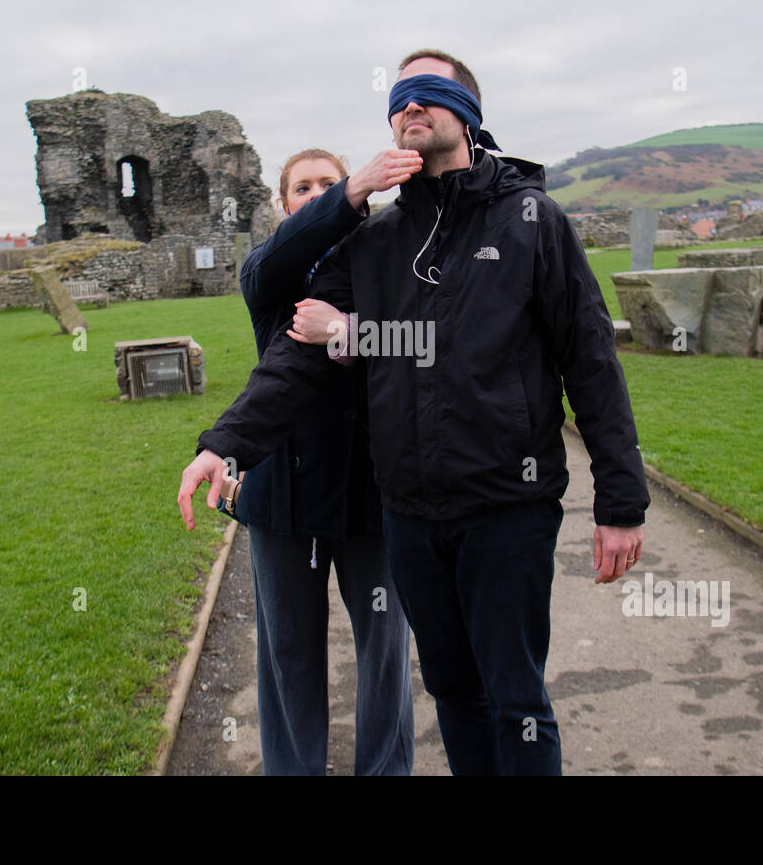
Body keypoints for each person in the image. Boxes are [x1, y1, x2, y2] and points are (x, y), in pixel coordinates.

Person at [179, 49, 650, 775]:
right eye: (399, 97)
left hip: (507, 505)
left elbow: (589, 362)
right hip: (410, 514)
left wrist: (621, 500)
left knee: (516, 700)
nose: (410, 106)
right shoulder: (376, 240)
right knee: (453, 691)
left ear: (468, 112)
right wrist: (226, 443)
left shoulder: (532, 221)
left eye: (430, 92)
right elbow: (295, 356)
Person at [229, 145, 422, 775]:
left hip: (371, 490)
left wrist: (348, 331)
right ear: (283, 205)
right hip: (282, 494)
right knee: (288, 653)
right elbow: (276, 260)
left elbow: (419, 344)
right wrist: (350, 192)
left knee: (385, 651)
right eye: (302, 187)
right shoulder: (269, 272)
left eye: (328, 183)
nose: (315, 194)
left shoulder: (389, 259)